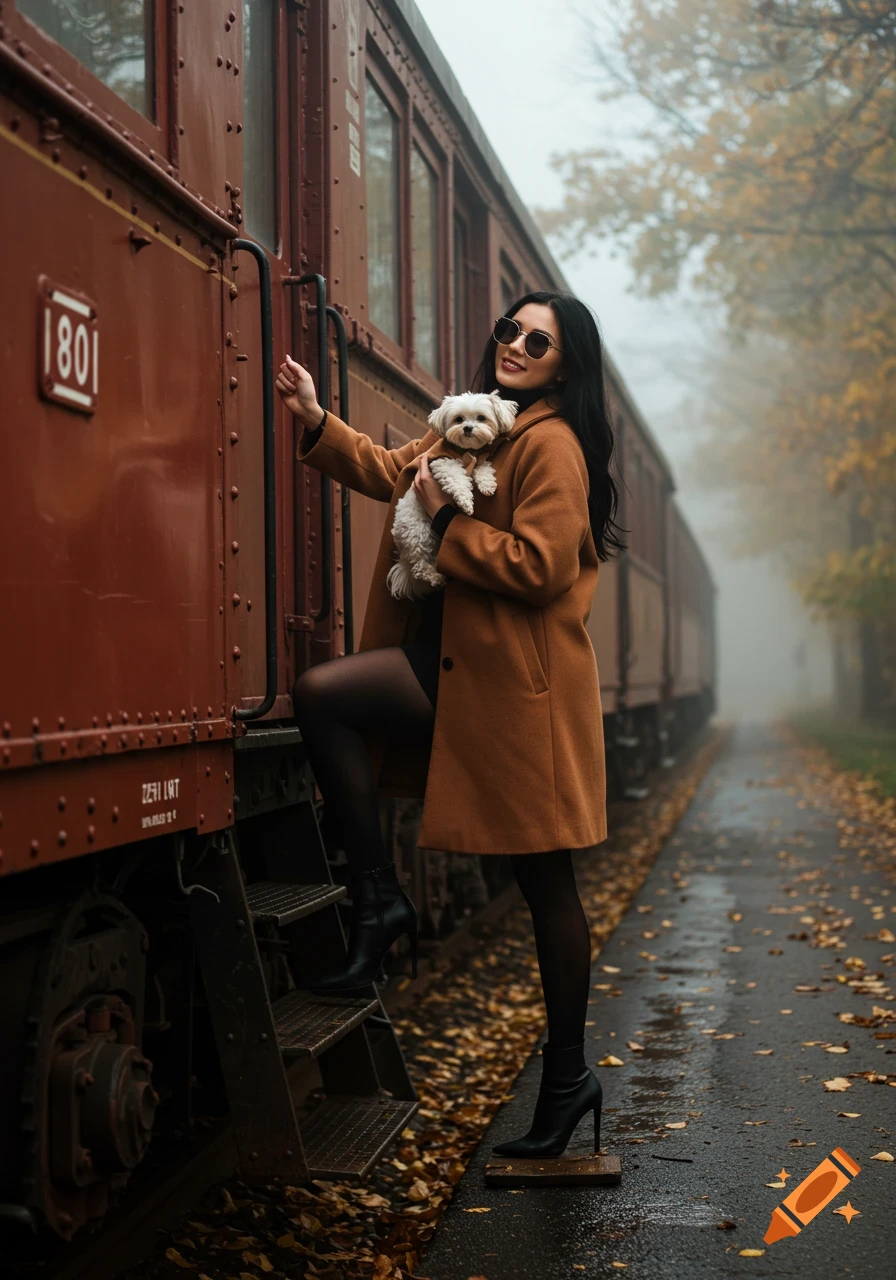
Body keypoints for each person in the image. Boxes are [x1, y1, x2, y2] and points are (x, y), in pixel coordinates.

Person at [275, 291, 625, 1159]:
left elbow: (541, 567)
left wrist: (445, 522)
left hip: (520, 698)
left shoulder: (551, 444)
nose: (516, 346)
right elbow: (392, 470)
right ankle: (379, 898)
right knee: (325, 696)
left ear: (565, 367)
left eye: (538, 341)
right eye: (510, 329)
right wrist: (316, 419)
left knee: (549, 888)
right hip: (456, 673)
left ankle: (568, 1079)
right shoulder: (469, 426)